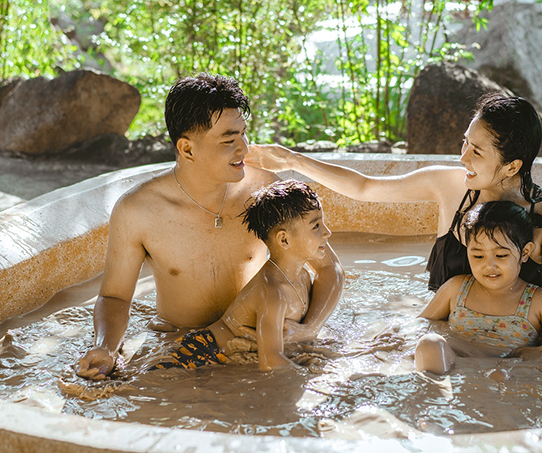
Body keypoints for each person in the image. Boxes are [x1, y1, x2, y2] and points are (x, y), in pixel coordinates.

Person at [76, 74, 344, 380]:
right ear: (187, 149)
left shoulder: (265, 191)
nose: (244, 148)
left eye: (244, 134)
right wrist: (106, 349)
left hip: (264, 342)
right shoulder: (138, 211)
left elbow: (327, 267)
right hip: (183, 346)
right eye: (229, 140)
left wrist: (310, 327)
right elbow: (115, 298)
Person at [245, 94, 542, 310]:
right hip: (444, 336)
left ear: (512, 166)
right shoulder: (450, 187)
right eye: (465, 143)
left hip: (509, 349)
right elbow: (364, 188)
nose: (463, 157)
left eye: (477, 151)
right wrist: (293, 160)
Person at [154, 180, 337, 371]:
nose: (327, 232)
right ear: (284, 239)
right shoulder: (274, 293)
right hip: (199, 353)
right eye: (316, 226)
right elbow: (271, 362)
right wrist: (313, 376)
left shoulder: (304, 277)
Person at [415, 201, 542, 374]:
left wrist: (534, 353)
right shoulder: (457, 289)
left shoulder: (539, 301)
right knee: (429, 343)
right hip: (454, 366)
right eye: (478, 255)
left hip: (507, 372)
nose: (489, 265)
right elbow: (421, 322)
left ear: (525, 253)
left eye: (501, 255)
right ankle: (434, 394)